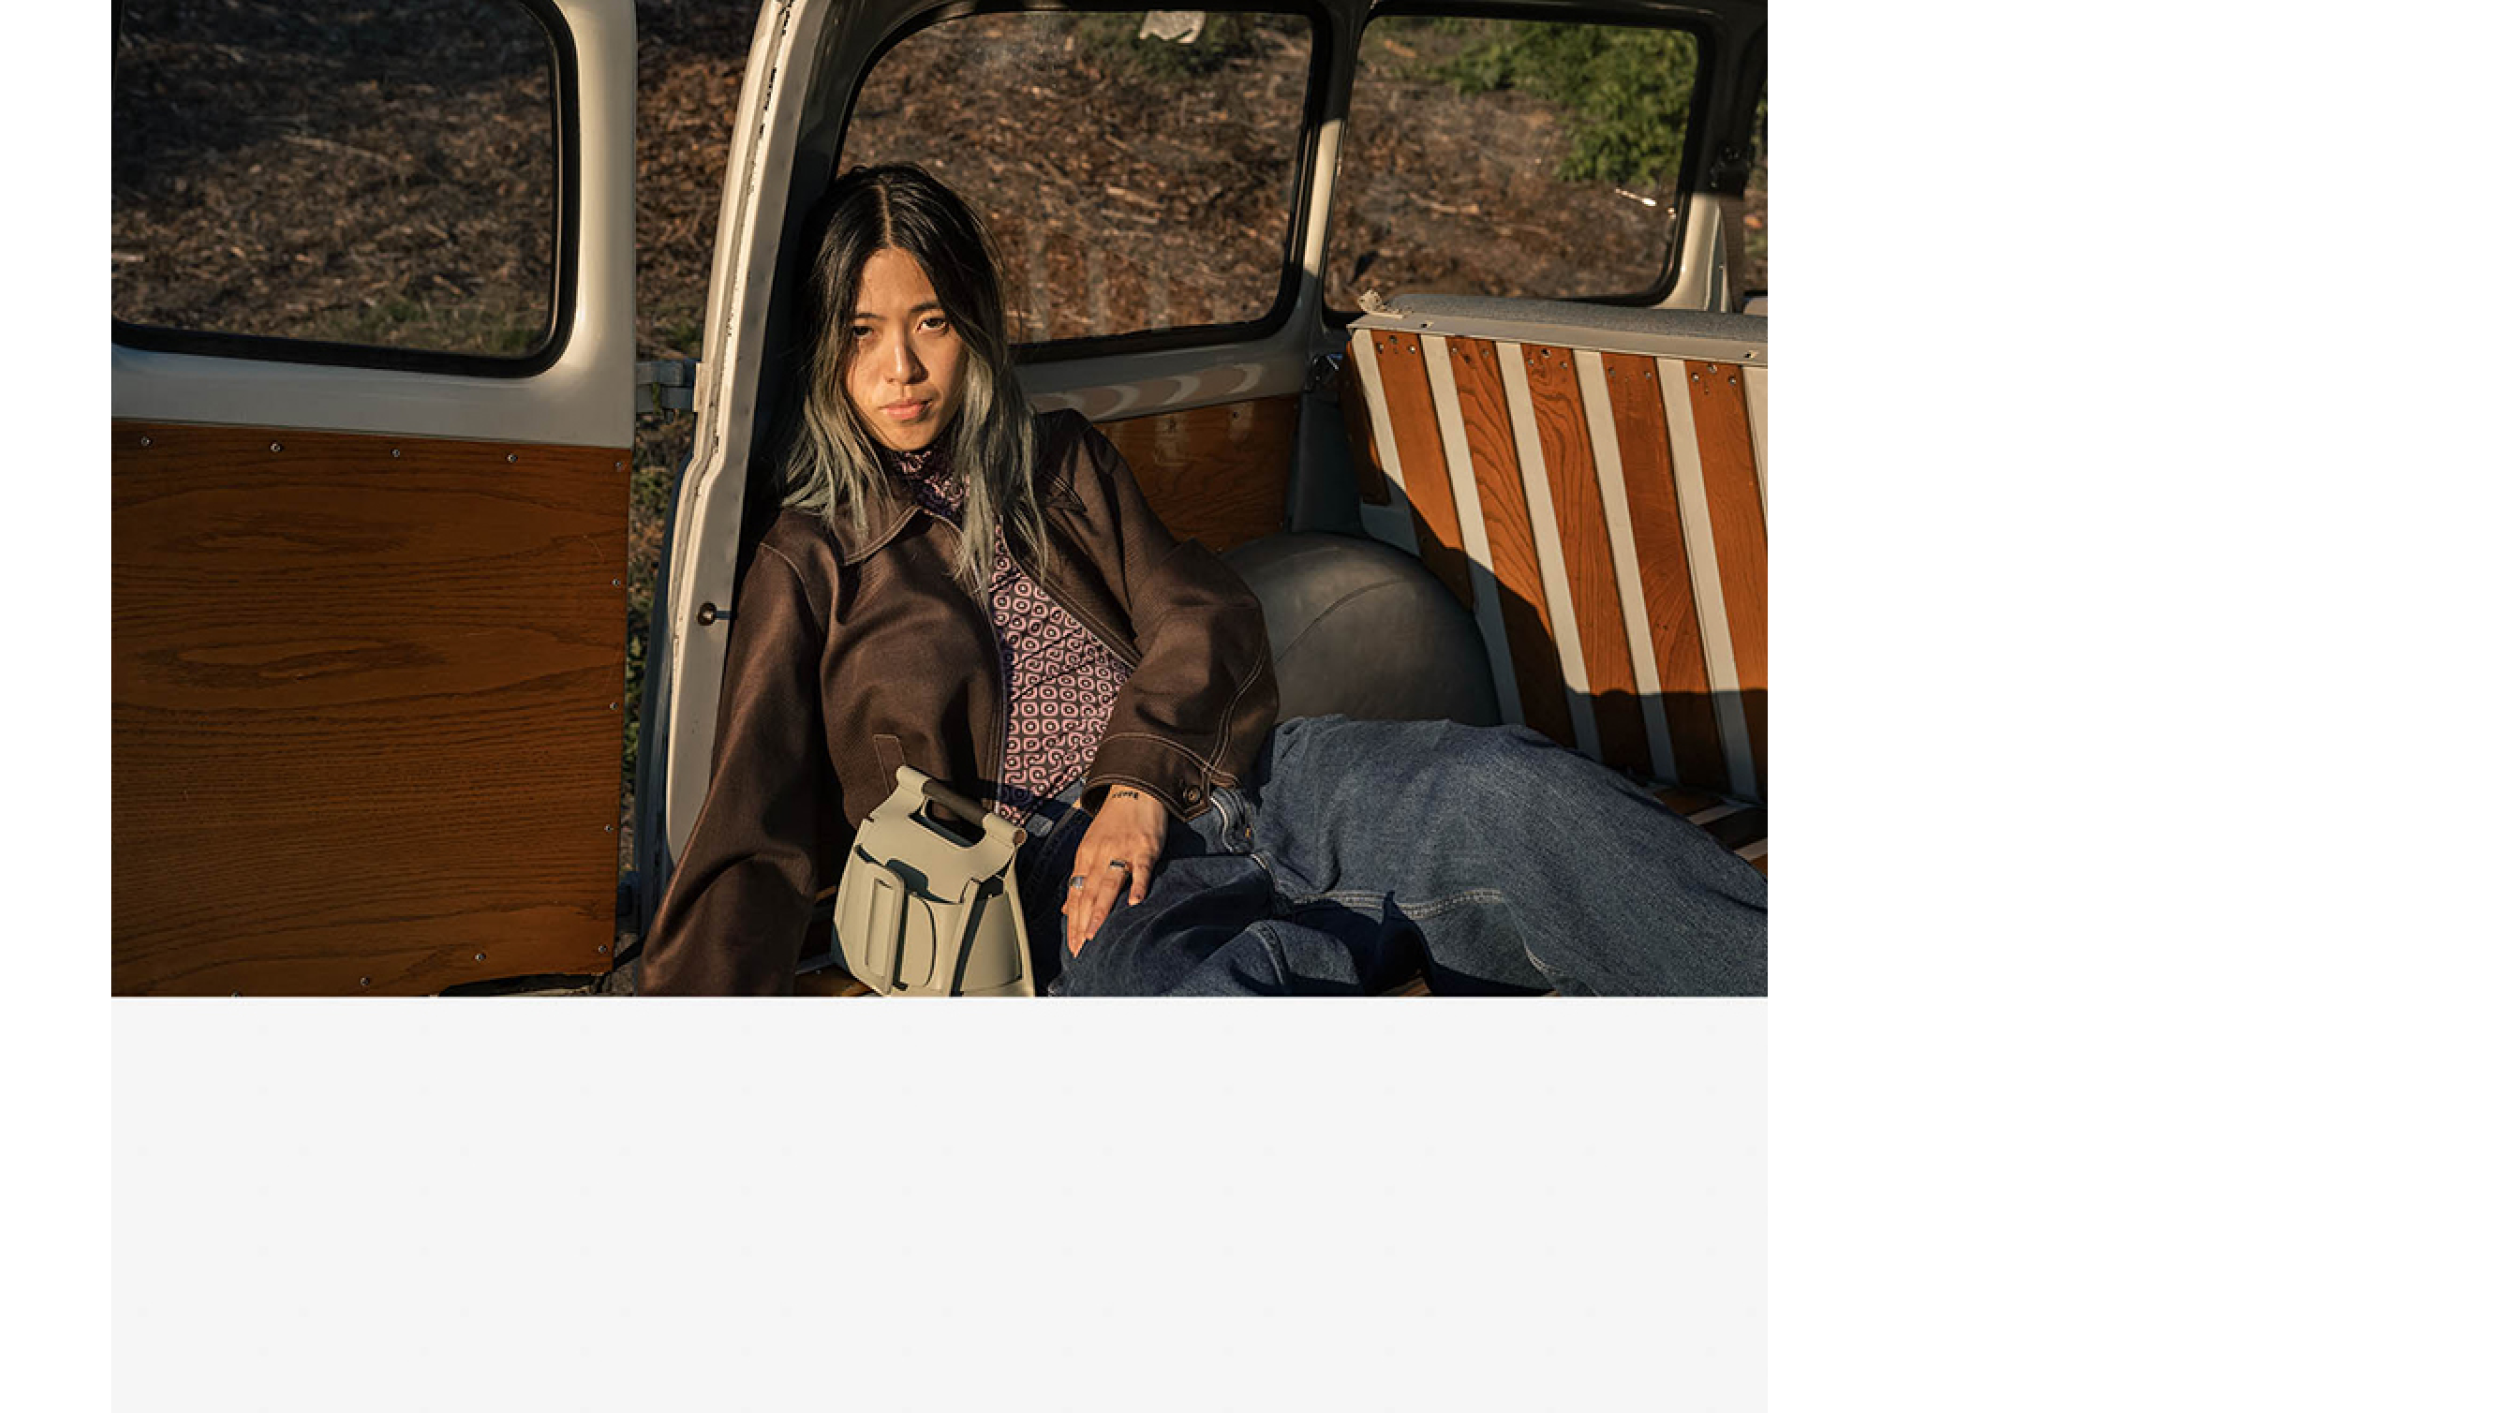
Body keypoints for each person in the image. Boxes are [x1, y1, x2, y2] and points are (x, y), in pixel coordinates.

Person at [637, 163, 1766, 997]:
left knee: (1516, 790)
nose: (900, 367)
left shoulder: (1057, 460)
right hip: (1059, 878)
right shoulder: (809, 559)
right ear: (823, 351)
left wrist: (1136, 786)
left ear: (973, 325)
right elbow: (749, 839)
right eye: (862, 332)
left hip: (1244, 777)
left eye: (931, 322)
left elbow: (1202, 612)